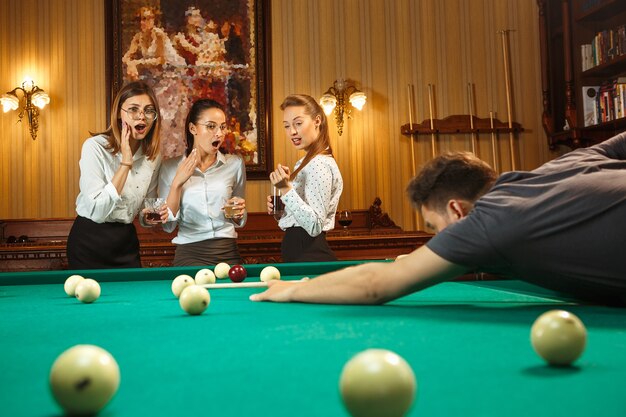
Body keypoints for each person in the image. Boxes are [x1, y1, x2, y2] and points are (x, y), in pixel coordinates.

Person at [252, 132, 626, 306]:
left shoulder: (488, 222)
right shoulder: (561, 166)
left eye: (433, 229)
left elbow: (375, 284)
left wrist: (294, 290)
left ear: (457, 211)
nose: (437, 240)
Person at [67, 81, 162, 269]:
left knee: (131, 299)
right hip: (89, 241)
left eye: (149, 110)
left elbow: (146, 211)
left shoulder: (154, 156)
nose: (141, 116)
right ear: (120, 113)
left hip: (126, 242)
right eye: (133, 109)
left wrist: (154, 215)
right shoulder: (94, 147)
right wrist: (126, 163)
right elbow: (98, 210)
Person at [158, 99, 247, 266]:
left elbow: (239, 215)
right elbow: (168, 225)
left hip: (227, 251)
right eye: (211, 126)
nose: (219, 133)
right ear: (193, 128)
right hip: (189, 253)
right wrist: (177, 182)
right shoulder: (169, 168)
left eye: (222, 127)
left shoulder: (235, 164)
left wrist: (238, 212)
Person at [267, 94, 343, 262]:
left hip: (309, 252)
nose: (292, 132)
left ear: (317, 121)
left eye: (298, 123)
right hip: (301, 250)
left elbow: (315, 225)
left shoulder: (318, 164)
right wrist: (282, 211)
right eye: (287, 126)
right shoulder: (306, 162)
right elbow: (303, 217)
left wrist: (286, 189)